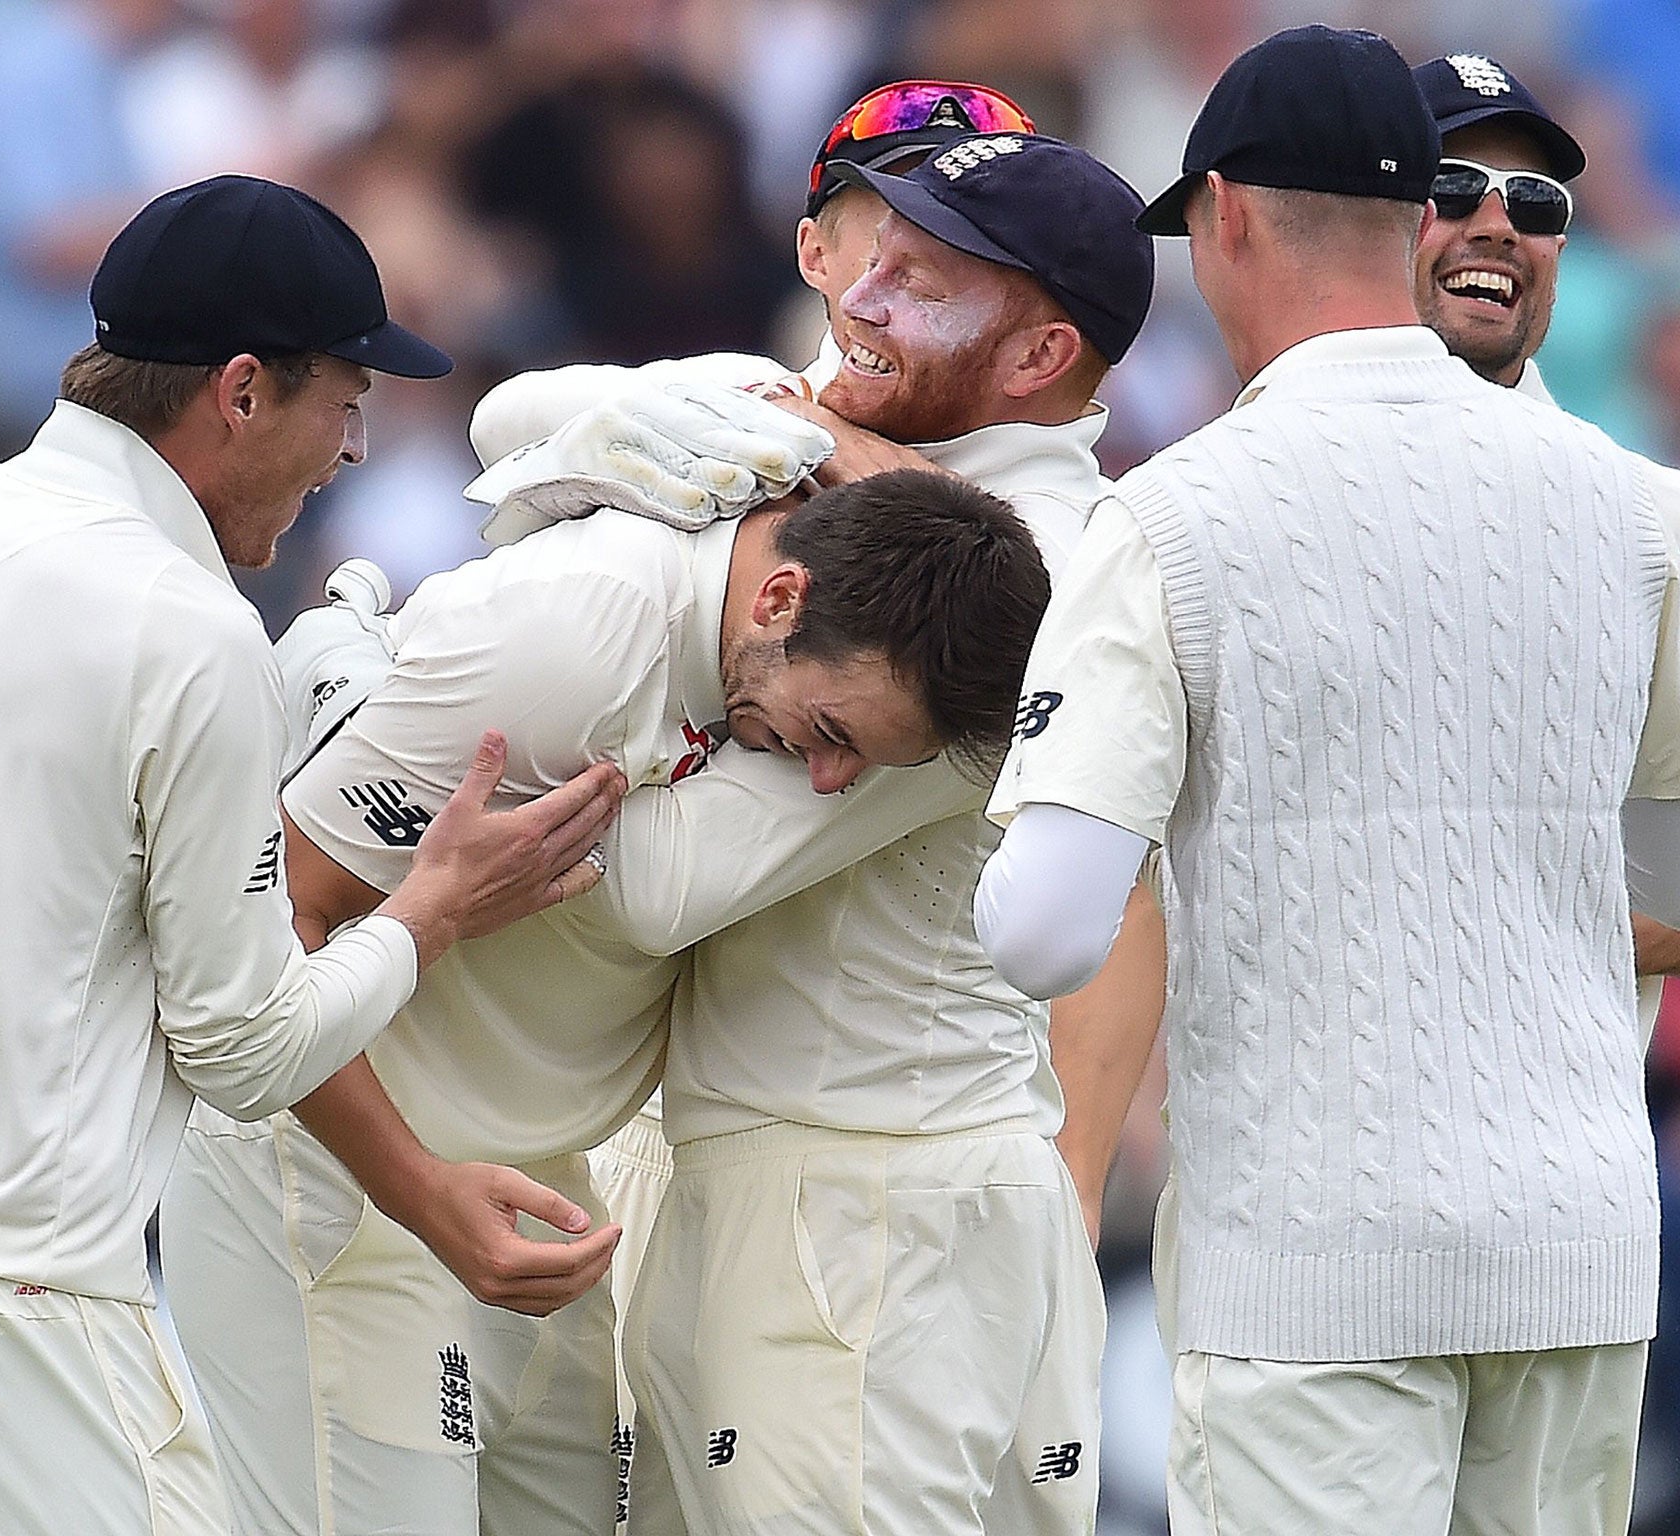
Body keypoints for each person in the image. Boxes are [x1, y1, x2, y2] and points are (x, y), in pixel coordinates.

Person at [0, 174, 624, 1536]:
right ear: (241, 390)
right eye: (346, 403)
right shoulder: (185, 624)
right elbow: (246, 1051)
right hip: (5, 1328)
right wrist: (433, 910)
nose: (349, 451)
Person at [974, 26, 1680, 1536]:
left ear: (1229, 217)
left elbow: (1046, 931)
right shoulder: (1623, 497)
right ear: (1417, 224)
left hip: (1312, 1270)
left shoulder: (1171, 518)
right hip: (1575, 1249)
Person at [467, 91, 1170, 1535]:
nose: (862, 291)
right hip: (760, 1187)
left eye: (924, 277)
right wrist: (787, 441)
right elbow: (504, 416)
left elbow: (659, 888)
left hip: (864, 1214)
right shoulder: (822, 436)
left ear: (1040, 353)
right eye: (872, 251)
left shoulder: (1030, 586)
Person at [159, 461, 1056, 1536]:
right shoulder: (575, 638)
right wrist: (418, 1188)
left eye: (858, 763)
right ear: (778, 601)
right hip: (345, 1186)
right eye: (827, 733)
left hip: (531, 1191)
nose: (822, 785)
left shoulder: (772, 635)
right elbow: (276, 929)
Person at [1409, 53, 1680, 1027]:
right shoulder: (1232, 496)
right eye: (1450, 187)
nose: (1495, 221)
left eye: (1535, 201)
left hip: (1552, 1152)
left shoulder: (1667, 525)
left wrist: (1588, 939)